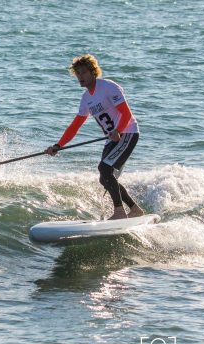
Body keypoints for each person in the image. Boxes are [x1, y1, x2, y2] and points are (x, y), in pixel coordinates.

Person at [45, 54, 144, 220]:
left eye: (83, 73)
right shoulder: (86, 99)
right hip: (111, 138)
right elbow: (75, 125)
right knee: (104, 178)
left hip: (127, 133)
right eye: (77, 74)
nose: (80, 77)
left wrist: (118, 130)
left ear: (93, 72)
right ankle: (135, 209)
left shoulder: (108, 87)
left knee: (105, 169)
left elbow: (126, 113)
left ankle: (119, 212)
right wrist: (58, 145)